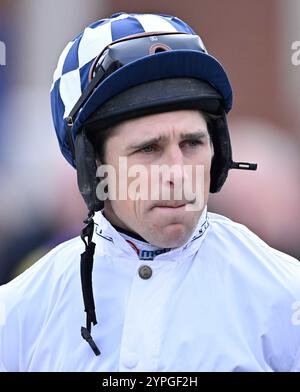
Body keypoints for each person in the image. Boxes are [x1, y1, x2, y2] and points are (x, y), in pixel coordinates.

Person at [0, 12, 299, 372]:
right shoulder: (18, 315)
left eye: (191, 143)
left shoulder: (286, 298)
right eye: (148, 149)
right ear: (92, 165)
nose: (178, 173)